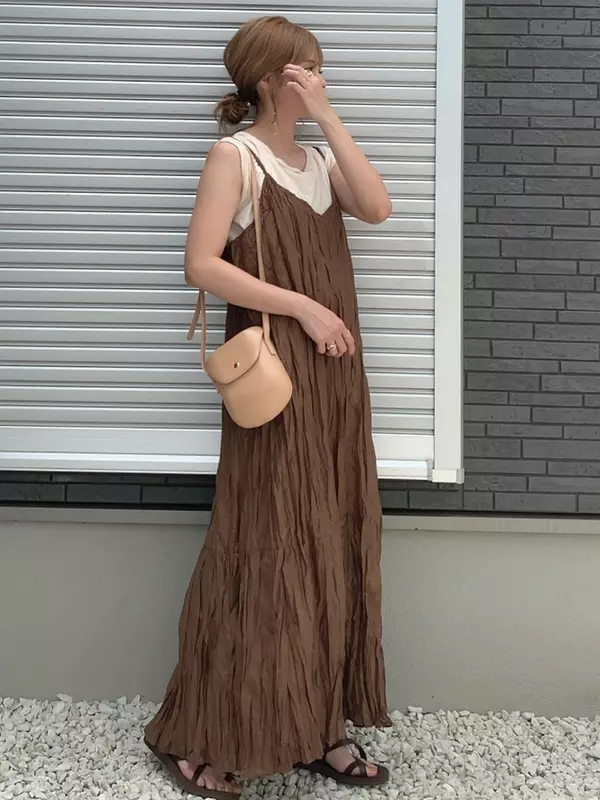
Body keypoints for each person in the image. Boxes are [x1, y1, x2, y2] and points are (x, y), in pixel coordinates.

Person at [144, 15, 393, 799]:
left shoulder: (318, 160)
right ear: (267, 78)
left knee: (331, 537)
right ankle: (206, 733)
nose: (318, 78)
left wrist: (328, 116)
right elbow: (201, 264)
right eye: (305, 69)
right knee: (268, 545)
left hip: (335, 380)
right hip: (277, 378)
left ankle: (318, 728)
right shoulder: (236, 157)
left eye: (319, 68)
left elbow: (378, 207)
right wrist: (303, 306)